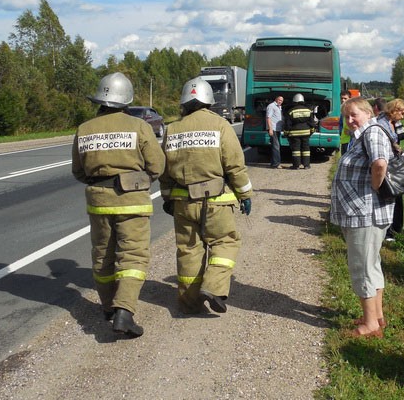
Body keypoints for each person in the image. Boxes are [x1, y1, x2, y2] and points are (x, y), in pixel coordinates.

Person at [71, 72, 165, 337]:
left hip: (98, 202)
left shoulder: (85, 129)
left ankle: (108, 307)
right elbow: (157, 166)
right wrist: (140, 179)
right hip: (132, 200)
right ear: (127, 99)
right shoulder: (139, 127)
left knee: (103, 255)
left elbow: (78, 171)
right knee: (132, 255)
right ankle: (124, 310)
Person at [160, 77, 254, 314]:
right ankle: (213, 287)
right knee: (224, 242)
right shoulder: (221, 125)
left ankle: (189, 303)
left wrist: (167, 197)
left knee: (189, 250)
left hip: (183, 203)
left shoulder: (172, 129)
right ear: (209, 101)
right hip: (216, 202)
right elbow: (234, 164)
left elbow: (164, 170)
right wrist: (245, 194)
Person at [330, 96, 393, 338]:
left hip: (364, 213)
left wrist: (374, 188)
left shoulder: (372, 132)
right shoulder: (362, 135)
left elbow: (379, 164)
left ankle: (370, 326)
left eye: (354, 114)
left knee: (362, 267)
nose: (350, 120)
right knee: (371, 264)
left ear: (368, 113)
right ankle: (375, 316)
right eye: (346, 116)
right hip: (361, 212)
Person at [383, 98, 404, 241]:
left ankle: (397, 228)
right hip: (386, 167)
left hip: (394, 165)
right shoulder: (382, 123)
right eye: (402, 113)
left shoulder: (394, 123)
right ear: (394, 110)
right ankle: (388, 231)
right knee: (388, 198)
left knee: (398, 197)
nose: (403, 116)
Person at [285, 93, 315, 169]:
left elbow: (288, 124)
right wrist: (311, 130)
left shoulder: (291, 111)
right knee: (306, 149)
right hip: (306, 132)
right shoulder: (308, 110)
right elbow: (312, 122)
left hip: (294, 133)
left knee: (296, 149)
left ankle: (296, 165)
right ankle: (306, 165)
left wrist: (286, 133)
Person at [265, 95, 284, 168]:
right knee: (276, 146)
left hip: (277, 129)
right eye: (279, 100)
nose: (280, 102)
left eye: (281, 101)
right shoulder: (271, 106)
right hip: (273, 129)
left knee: (275, 145)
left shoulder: (279, 107)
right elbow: (268, 118)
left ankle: (274, 163)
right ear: (276, 99)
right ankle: (276, 164)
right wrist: (270, 129)